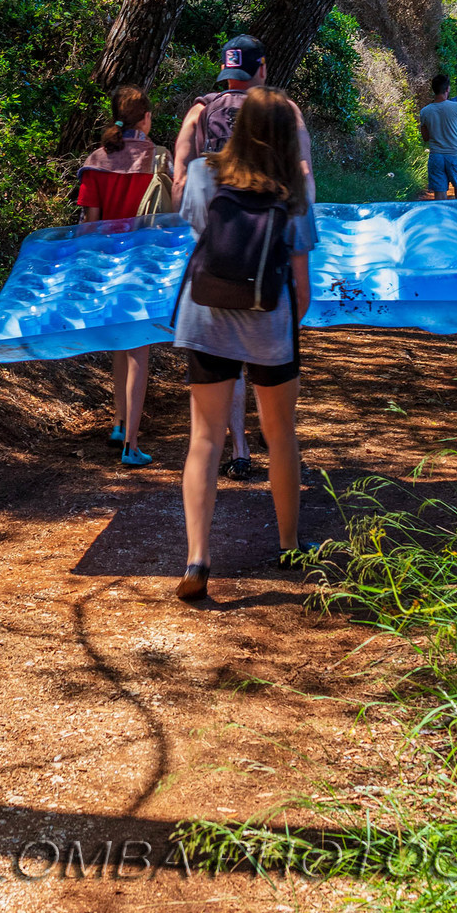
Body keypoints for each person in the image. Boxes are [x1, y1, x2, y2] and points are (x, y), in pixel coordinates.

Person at [171, 87, 318, 601]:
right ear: (282, 133)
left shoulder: (206, 174)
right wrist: (279, 323)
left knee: (205, 437)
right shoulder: (292, 187)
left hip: (205, 315)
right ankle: (289, 544)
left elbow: (196, 232)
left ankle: (196, 558)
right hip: (268, 321)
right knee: (280, 434)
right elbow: (301, 285)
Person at [173, 36, 317, 485]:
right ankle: (272, 443)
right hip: (268, 253)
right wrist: (292, 224)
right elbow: (305, 174)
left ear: (224, 71)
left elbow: (180, 180)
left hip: (213, 250)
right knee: (265, 351)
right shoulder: (282, 110)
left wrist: (211, 221)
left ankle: (237, 448)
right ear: (262, 69)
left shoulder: (199, 111)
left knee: (219, 354)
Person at [77, 85, 172, 468]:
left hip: (106, 264)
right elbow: (174, 217)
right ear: (146, 118)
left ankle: (118, 422)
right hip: (145, 264)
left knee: (120, 344)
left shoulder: (97, 159)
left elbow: (89, 223)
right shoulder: (160, 159)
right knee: (138, 351)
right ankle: (132, 444)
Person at [418, 72, 457, 199]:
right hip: (455, 155)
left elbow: (426, 137)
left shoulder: (425, 111)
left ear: (433, 89)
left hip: (436, 156)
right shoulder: (456, 107)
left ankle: (441, 218)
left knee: (439, 193)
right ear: (447, 89)